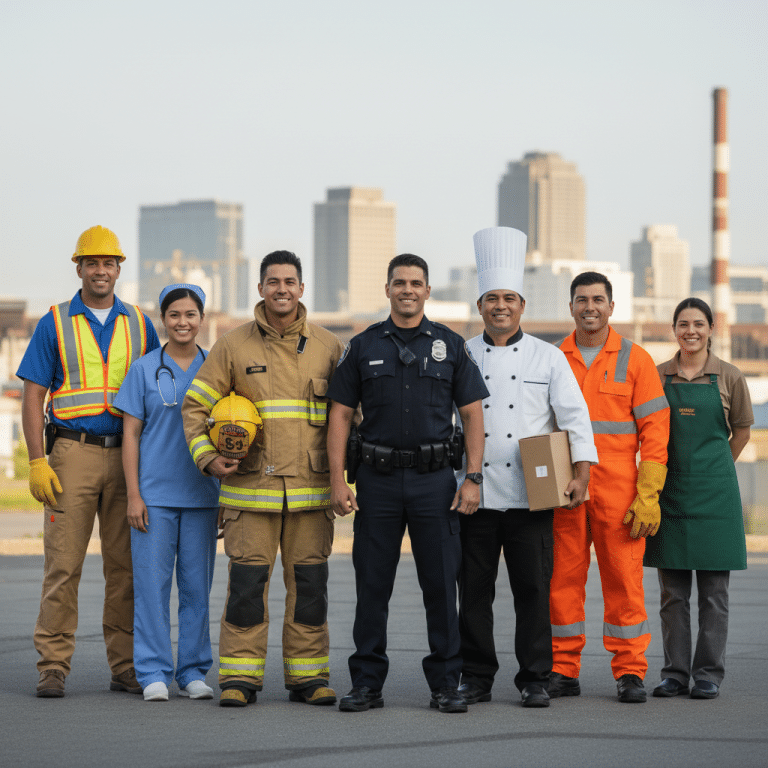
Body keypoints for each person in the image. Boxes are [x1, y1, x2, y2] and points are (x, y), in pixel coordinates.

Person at [182, 250, 345, 708]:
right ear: (260, 289)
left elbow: (348, 417)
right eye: (273, 281)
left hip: (310, 498)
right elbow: (195, 408)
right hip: (250, 494)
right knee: (246, 589)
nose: (282, 289)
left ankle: (309, 678)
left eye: (290, 281)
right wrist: (208, 458)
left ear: (301, 288)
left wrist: (343, 481)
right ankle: (239, 678)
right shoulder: (233, 346)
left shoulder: (329, 347)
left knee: (310, 589)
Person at [327, 253, 489, 714]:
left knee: (440, 587)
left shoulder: (450, 345)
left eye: (416, 283)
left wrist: (472, 477)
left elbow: (473, 413)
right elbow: (339, 414)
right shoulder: (362, 346)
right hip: (376, 484)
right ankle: (366, 684)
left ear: (427, 291)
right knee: (372, 588)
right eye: (399, 282)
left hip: (434, 483)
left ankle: (445, 684)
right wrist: (337, 480)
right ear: (387, 289)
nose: (408, 290)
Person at [456, 228, 597, 709]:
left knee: (533, 591)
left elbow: (575, 419)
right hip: (473, 494)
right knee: (474, 593)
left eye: (509, 298)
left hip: (532, 494)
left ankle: (534, 677)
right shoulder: (464, 355)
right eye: (492, 298)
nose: (501, 306)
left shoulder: (549, 356)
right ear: (480, 306)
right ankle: (475, 676)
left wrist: (581, 474)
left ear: (522, 305)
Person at [17, 225, 160, 698]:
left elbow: (157, 396)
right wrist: (38, 461)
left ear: (119, 268)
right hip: (71, 454)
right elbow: (33, 395)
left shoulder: (140, 323)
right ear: (78, 267)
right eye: (92, 262)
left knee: (126, 568)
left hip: (126, 458)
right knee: (63, 565)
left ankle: (126, 667)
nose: (101, 270)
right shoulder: (54, 322)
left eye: (109, 262)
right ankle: (53, 665)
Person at [548, 272, 670, 703]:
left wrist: (649, 492)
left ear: (612, 307)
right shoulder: (552, 357)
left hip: (620, 487)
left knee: (624, 580)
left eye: (598, 299)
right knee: (562, 578)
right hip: (567, 483)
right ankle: (562, 669)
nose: (590, 307)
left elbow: (656, 429)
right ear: (571, 307)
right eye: (582, 300)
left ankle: (630, 672)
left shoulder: (635, 360)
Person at [114, 284, 220, 702]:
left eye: (190, 314)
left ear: (201, 319)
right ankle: (152, 671)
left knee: (196, 589)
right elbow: (130, 434)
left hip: (202, 496)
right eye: (174, 314)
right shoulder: (143, 370)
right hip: (154, 498)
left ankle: (193, 671)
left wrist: (225, 498)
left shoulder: (216, 368)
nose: (182, 322)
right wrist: (133, 495)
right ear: (163, 319)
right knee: (152, 587)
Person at [644, 298, 752, 700]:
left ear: (710, 328)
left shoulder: (729, 377)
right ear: (674, 329)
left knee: (714, 594)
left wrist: (715, 468)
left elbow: (740, 431)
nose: (691, 331)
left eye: (699, 324)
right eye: (683, 324)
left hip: (715, 495)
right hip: (668, 493)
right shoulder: (657, 377)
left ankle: (708, 673)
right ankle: (674, 673)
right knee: (672, 594)